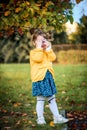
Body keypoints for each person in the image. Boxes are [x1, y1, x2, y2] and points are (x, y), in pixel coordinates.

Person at [30, 29, 68, 125]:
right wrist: (39, 48)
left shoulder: (46, 51)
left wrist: (48, 48)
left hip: (48, 78)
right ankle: (41, 118)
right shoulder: (34, 52)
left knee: (51, 98)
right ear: (34, 42)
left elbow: (53, 58)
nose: (41, 42)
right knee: (40, 99)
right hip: (39, 79)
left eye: (43, 40)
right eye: (39, 41)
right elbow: (38, 59)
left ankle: (56, 117)